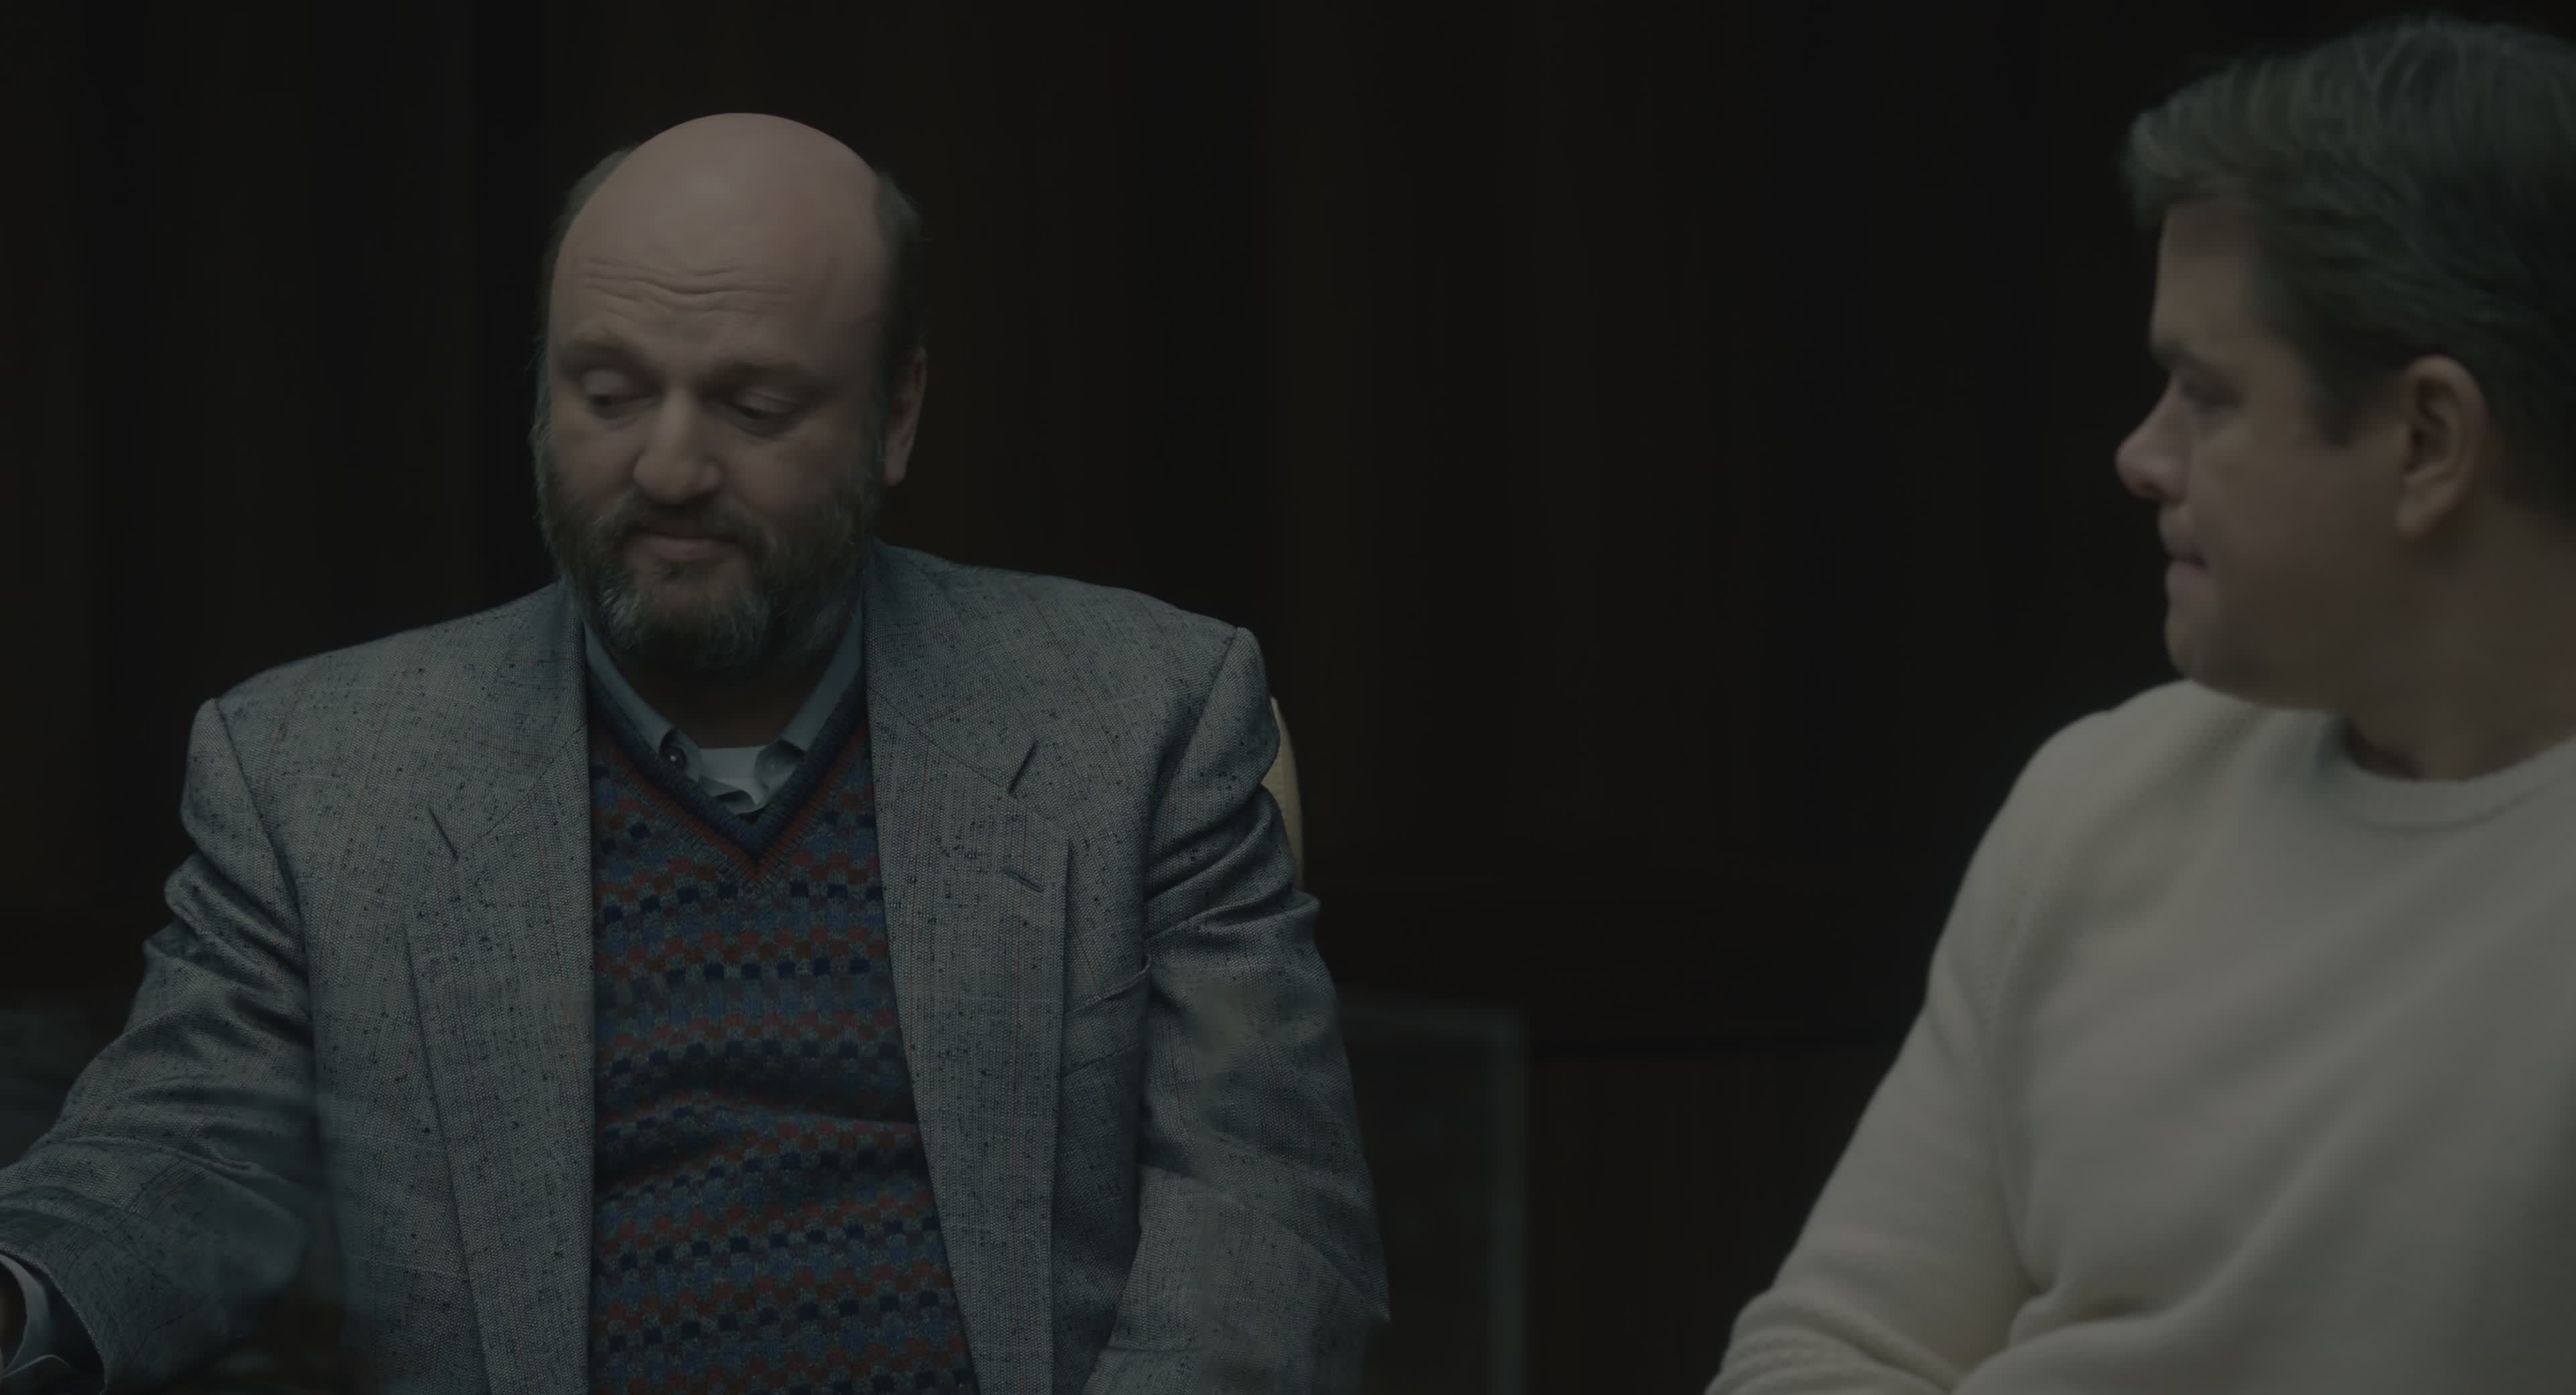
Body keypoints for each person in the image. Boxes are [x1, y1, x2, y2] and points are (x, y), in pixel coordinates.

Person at [0, 113, 1387, 1394]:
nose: (668, 468)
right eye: (609, 392)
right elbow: (182, 1156)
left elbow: (1266, 1226)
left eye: (756, 407)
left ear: (898, 412)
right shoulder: (311, 773)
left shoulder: (1144, 716)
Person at [1711, 13, 2576, 1394]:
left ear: (2428, 440)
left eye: (2207, 396)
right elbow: (1822, 1350)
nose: (2140, 454)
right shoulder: (2100, 798)